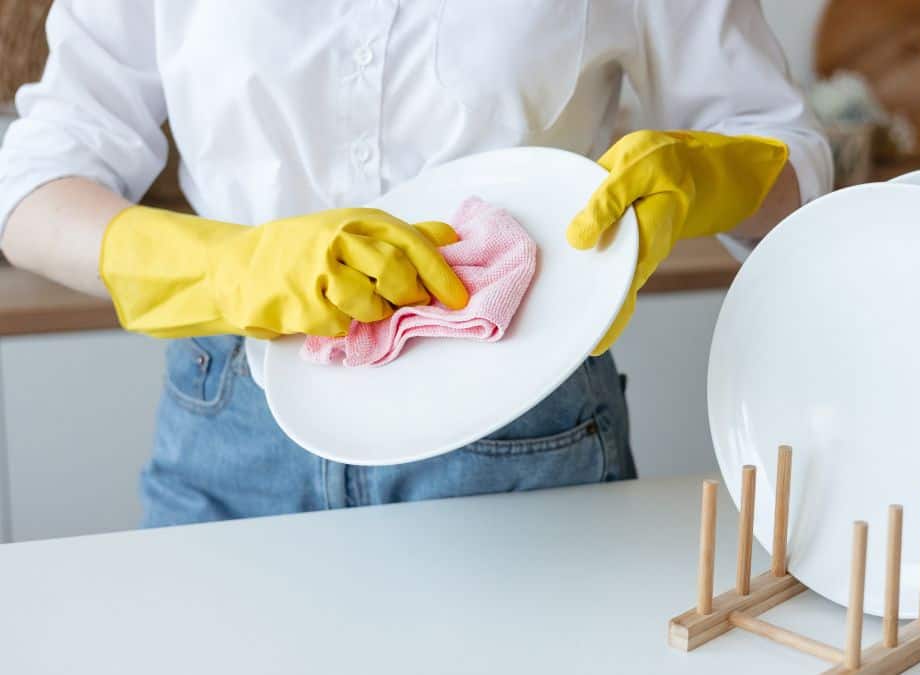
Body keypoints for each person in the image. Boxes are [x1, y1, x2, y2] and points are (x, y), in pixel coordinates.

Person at [0, 1, 832, 526]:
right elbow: (33, 185)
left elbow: (786, 154)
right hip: (230, 431)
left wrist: (713, 177)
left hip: (525, 436)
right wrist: (234, 267)